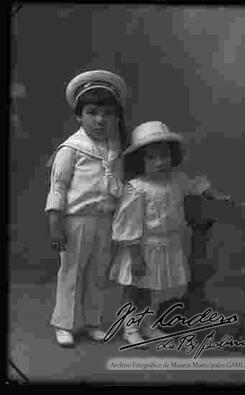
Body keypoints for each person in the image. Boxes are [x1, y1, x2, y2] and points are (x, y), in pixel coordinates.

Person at [109, 121, 229, 348]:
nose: (160, 162)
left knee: (153, 290)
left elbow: (197, 186)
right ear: (139, 161)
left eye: (164, 155)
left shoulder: (178, 180)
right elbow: (129, 225)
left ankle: (148, 323)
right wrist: (134, 256)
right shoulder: (137, 188)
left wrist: (214, 194)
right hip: (141, 247)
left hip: (166, 246)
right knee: (134, 290)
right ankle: (129, 327)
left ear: (172, 156)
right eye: (151, 158)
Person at [45, 70, 127, 347]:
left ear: (115, 116)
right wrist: (55, 222)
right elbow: (58, 188)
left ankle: (93, 321)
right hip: (76, 220)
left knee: (97, 272)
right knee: (71, 272)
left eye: (107, 113)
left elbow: (118, 184)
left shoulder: (115, 147)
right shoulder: (72, 148)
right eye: (92, 112)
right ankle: (64, 324)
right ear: (79, 116)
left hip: (105, 221)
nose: (100, 119)